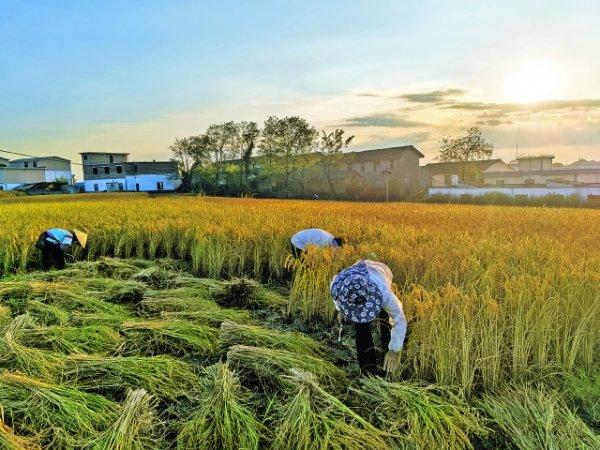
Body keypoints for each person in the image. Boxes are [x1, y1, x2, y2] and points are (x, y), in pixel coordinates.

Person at [331, 260, 407, 376]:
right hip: (357, 271)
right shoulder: (338, 284)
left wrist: (394, 349)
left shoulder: (383, 292)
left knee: (384, 320)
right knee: (361, 327)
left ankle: (387, 352)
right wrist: (340, 310)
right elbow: (337, 298)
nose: (360, 311)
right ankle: (368, 371)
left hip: (381, 272)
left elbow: (399, 319)